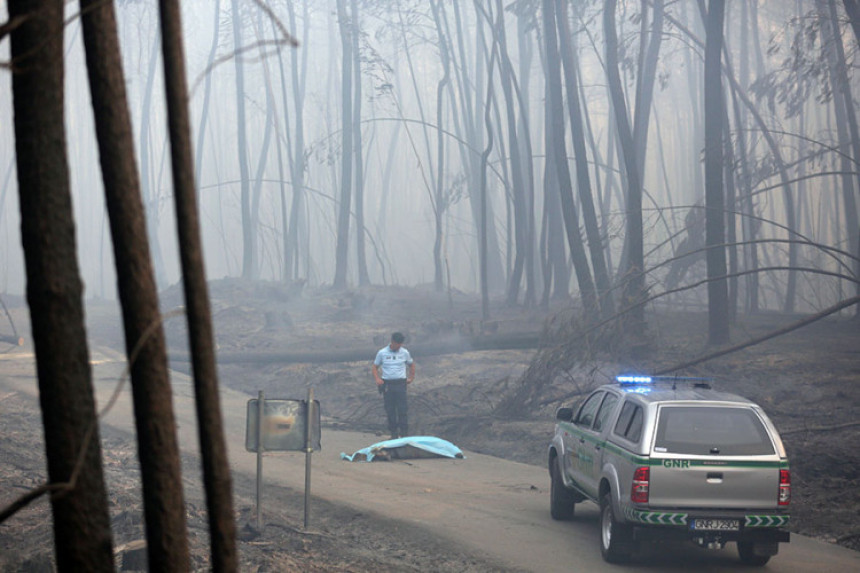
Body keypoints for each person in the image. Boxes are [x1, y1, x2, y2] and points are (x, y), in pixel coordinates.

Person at [372, 332, 415, 439]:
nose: (399, 346)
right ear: (392, 342)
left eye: (400, 344)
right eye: (397, 344)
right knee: (390, 410)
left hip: (400, 384)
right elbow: (374, 367)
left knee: (402, 409)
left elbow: (411, 365)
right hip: (388, 385)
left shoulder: (405, 352)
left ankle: (404, 433)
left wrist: (411, 378)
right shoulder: (382, 353)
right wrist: (377, 379)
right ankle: (394, 434)